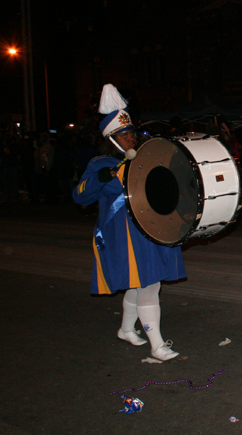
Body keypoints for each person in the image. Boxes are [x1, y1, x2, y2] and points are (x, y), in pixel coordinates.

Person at [73, 84, 185, 361]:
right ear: (111, 138)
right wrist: (105, 177)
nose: (131, 138)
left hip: (148, 229)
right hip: (123, 233)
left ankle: (125, 329)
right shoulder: (100, 164)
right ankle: (157, 346)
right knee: (146, 284)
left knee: (144, 283)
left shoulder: (145, 157)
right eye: (123, 135)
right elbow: (79, 196)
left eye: (131, 133)